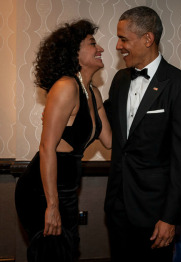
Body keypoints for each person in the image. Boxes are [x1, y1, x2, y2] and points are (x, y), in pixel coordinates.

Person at [104, 6, 181, 262]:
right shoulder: (120, 81)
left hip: (155, 214)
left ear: (148, 38)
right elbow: (103, 121)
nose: (117, 46)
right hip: (117, 207)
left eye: (123, 38)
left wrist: (169, 218)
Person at [15, 19, 111, 262]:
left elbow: (110, 141)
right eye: (92, 44)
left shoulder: (93, 92)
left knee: (67, 252)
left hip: (67, 190)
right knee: (52, 254)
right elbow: (47, 148)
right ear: (74, 53)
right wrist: (52, 206)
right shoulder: (66, 86)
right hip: (42, 192)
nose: (100, 48)